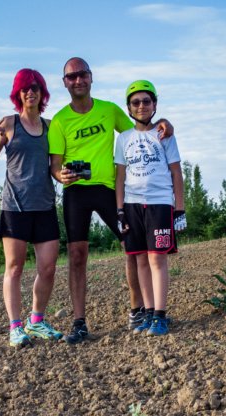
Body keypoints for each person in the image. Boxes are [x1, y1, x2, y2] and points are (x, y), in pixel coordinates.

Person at [48, 57, 172, 344]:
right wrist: (60, 175)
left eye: (82, 74)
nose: (78, 80)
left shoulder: (109, 110)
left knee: (132, 247)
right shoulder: (59, 120)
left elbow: (140, 129)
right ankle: (79, 322)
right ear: (64, 82)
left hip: (109, 189)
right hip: (76, 192)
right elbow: (54, 165)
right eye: (71, 76)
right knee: (77, 255)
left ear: (91, 77)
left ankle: (139, 310)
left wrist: (164, 123)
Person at [0, 68, 64, 348]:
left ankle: (36, 321)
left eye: (35, 88)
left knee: (48, 267)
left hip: (44, 205)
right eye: (25, 88)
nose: (30, 92)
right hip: (14, 206)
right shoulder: (9, 123)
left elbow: (56, 164)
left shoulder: (51, 127)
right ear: (18, 94)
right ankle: (15, 327)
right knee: (15, 267)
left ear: (42, 93)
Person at [114, 80, 186, 336]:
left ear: (154, 104)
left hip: (159, 203)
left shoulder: (164, 134)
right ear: (129, 108)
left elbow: (176, 172)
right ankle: (148, 311)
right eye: (136, 102)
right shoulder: (123, 138)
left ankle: (160, 316)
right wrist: (119, 210)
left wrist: (180, 208)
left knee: (157, 258)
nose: (141, 106)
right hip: (132, 204)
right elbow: (120, 177)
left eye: (146, 101)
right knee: (141, 259)